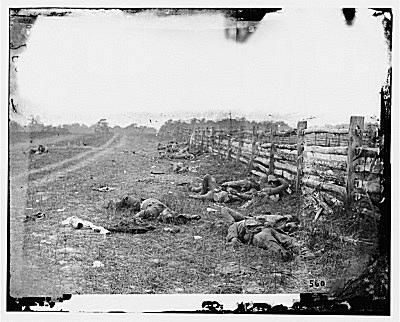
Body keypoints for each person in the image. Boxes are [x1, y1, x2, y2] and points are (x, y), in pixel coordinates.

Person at [189, 173, 288, 203]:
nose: (262, 182)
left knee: (208, 180)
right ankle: (199, 192)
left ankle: (197, 194)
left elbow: (285, 185)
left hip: (224, 193)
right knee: (208, 177)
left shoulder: (268, 191)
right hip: (225, 191)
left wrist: (235, 193)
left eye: (270, 182)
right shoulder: (260, 188)